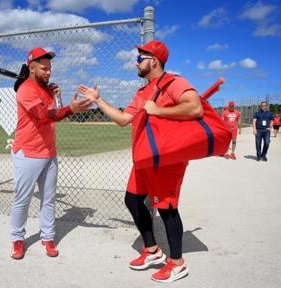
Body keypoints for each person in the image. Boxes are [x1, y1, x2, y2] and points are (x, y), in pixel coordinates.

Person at [78, 40, 203, 283]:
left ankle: (177, 263)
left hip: (166, 159)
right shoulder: (142, 91)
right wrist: (98, 100)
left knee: (167, 208)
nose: (136, 62)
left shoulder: (174, 83)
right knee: (132, 199)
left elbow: (195, 108)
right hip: (145, 159)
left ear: (153, 61)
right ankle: (153, 250)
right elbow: (124, 119)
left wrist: (159, 111)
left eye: (140, 57)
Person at [10, 47, 91, 260]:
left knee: (49, 200)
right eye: (44, 69)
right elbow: (43, 117)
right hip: (28, 153)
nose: (48, 72)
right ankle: (17, 239)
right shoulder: (26, 90)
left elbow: (56, 113)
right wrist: (71, 109)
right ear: (32, 68)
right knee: (22, 199)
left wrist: (59, 98)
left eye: (50, 69)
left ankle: (48, 237)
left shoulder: (47, 89)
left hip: (49, 153)